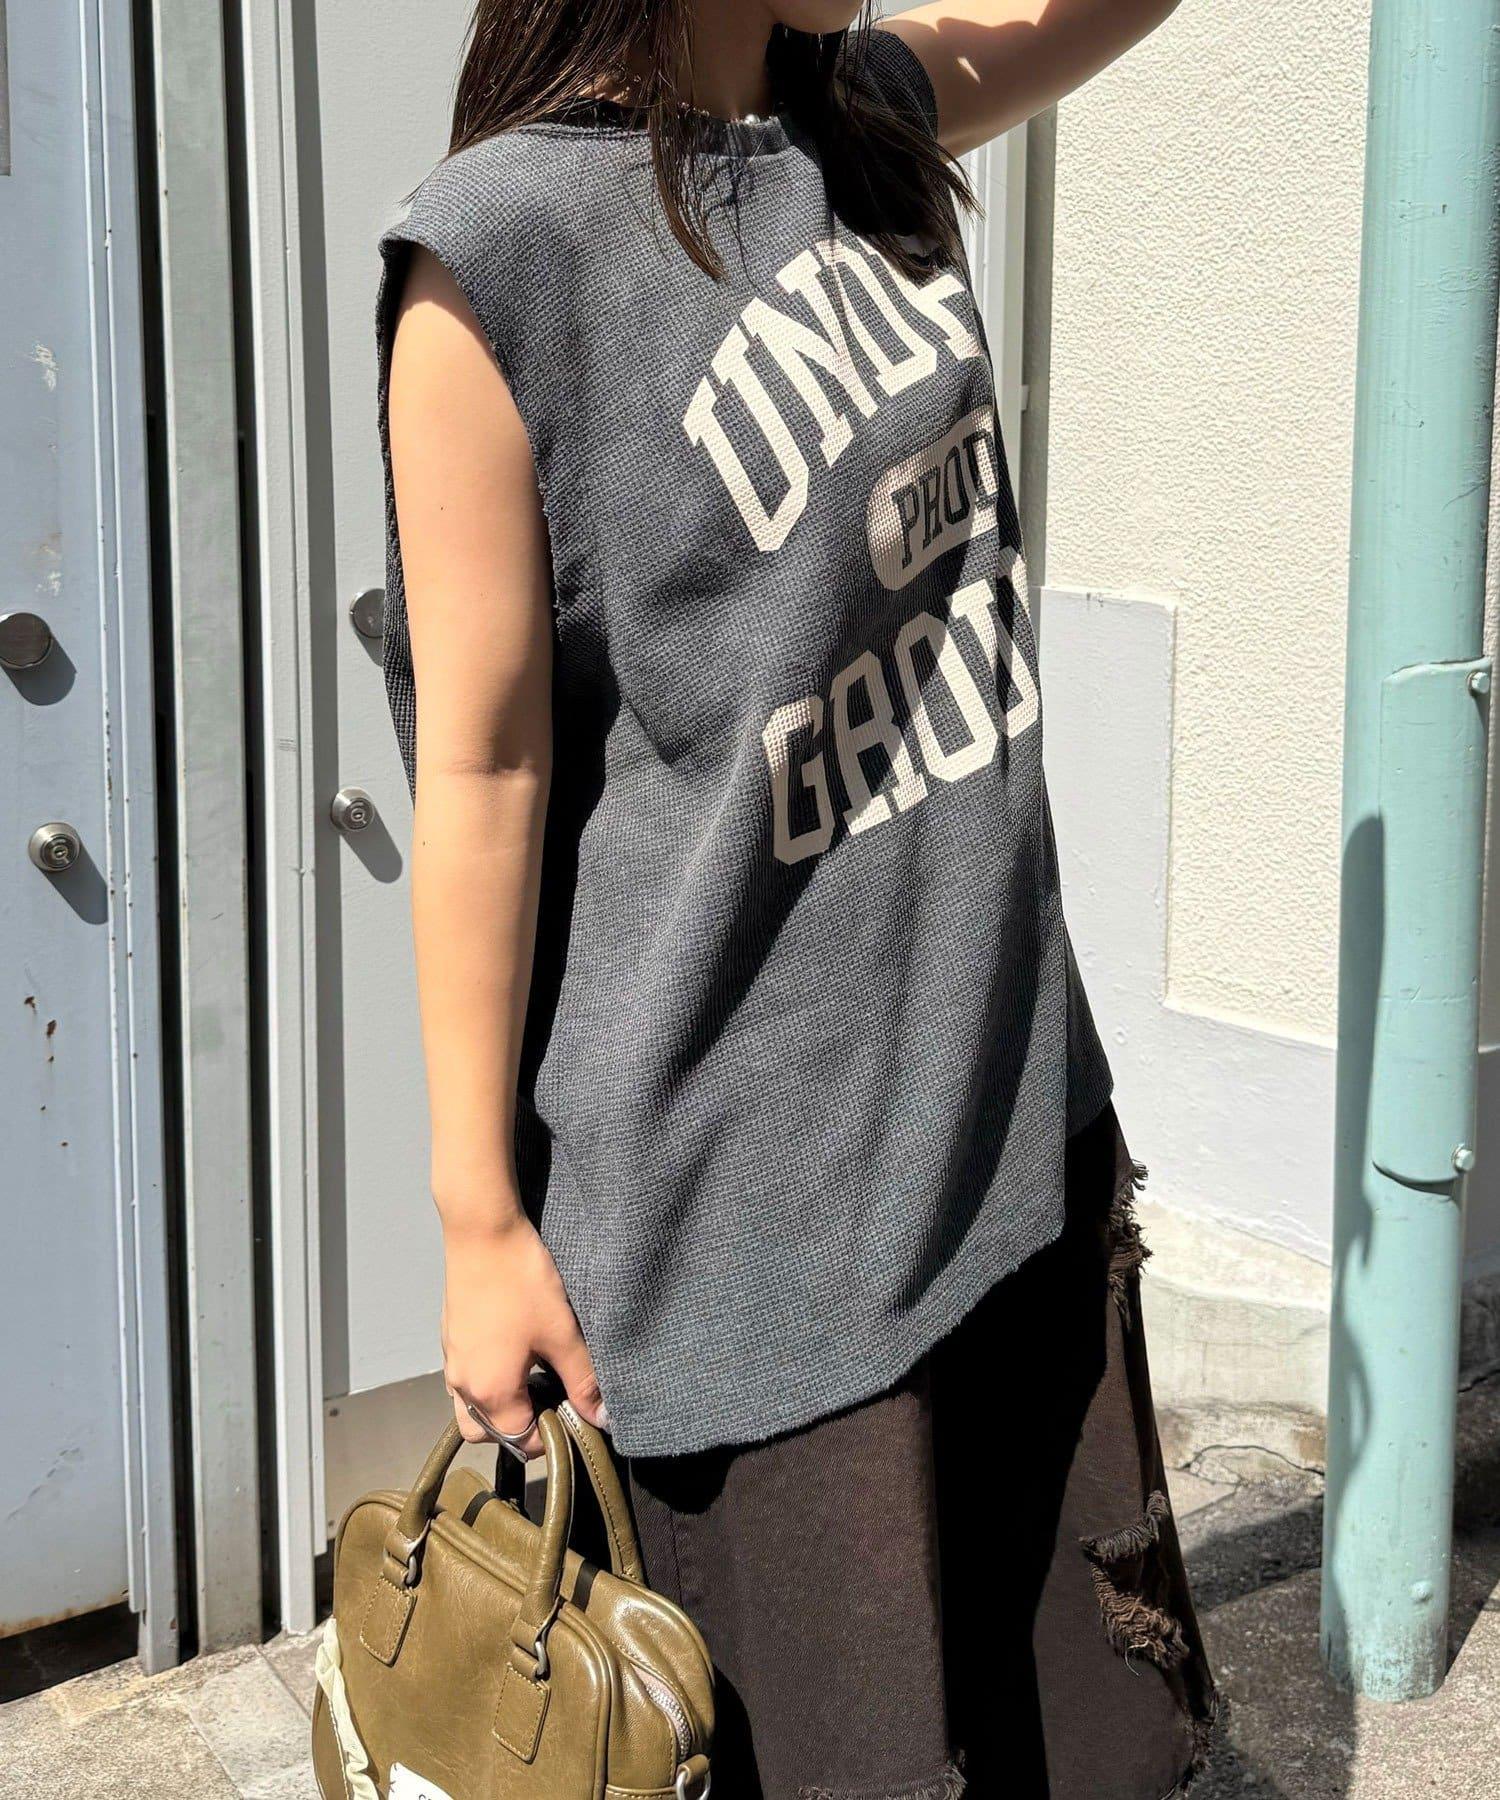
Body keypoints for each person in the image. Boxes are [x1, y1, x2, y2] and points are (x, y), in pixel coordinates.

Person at [378, 0, 1219, 1791]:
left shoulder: (867, 115)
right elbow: (484, 770)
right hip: (751, 1237)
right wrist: (475, 1222)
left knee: (1068, 1746)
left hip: (1007, 1130)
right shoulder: (497, 258)